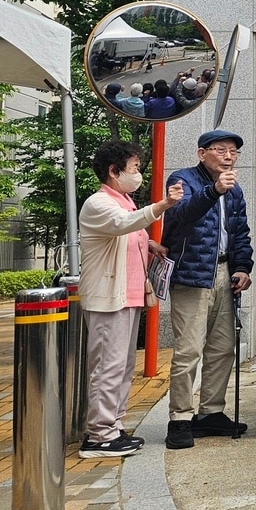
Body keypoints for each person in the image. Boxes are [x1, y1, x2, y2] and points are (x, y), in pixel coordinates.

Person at [77, 141, 183, 458]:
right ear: (114, 171)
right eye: (134, 168)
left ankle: (112, 427)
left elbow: (129, 230)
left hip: (127, 297)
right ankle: (98, 436)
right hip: (109, 298)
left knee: (121, 367)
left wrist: (150, 244)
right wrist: (163, 205)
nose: (138, 174)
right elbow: (121, 225)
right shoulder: (98, 203)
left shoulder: (124, 201)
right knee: (108, 368)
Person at [161, 129, 254, 449]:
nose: (229, 156)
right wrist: (213, 191)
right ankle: (179, 418)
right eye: (221, 150)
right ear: (202, 153)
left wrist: (242, 267)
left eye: (234, 152)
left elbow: (241, 231)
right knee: (188, 350)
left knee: (223, 347)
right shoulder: (183, 179)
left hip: (226, 272)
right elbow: (181, 214)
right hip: (192, 274)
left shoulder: (235, 189)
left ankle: (211, 412)